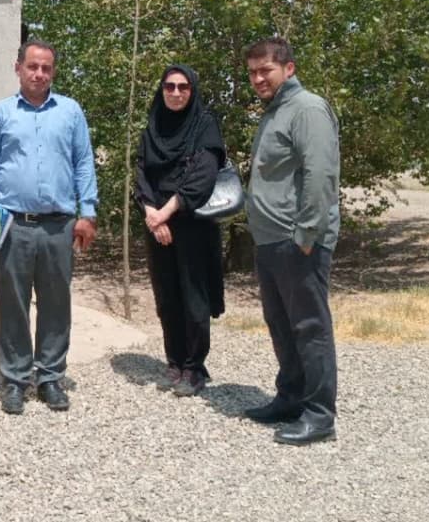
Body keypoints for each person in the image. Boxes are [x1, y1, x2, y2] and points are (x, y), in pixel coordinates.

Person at [0, 40, 98, 415]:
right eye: (32, 66)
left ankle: (50, 377)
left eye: (46, 68)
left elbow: (83, 163)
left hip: (59, 225)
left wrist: (87, 212)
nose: (39, 74)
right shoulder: (0, 113)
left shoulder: (70, 112)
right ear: (18, 68)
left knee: (57, 304)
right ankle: (15, 379)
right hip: (12, 223)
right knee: (13, 304)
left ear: (53, 71)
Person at [243, 37, 341, 446]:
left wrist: (307, 232)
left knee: (309, 327)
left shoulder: (307, 109)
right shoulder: (275, 111)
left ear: (289, 68)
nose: (258, 79)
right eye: (252, 72)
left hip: (297, 240)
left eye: (265, 70)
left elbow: (321, 174)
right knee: (281, 325)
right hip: (270, 240)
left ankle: (319, 415)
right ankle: (290, 398)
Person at [135, 65, 227, 398]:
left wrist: (165, 213)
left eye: (183, 87)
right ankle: (174, 361)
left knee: (193, 298)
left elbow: (203, 175)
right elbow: (141, 172)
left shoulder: (204, 125)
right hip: (156, 224)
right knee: (167, 296)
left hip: (191, 224)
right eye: (169, 86)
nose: (175, 93)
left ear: (192, 90)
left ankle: (194, 367)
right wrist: (151, 213)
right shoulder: (154, 127)